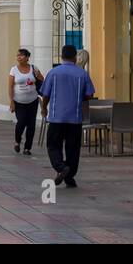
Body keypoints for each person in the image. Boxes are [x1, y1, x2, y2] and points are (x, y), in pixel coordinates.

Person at [39, 44, 95, 188]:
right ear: (75, 57)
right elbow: (89, 94)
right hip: (75, 118)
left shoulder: (53, 72)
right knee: (73, 149)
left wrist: (44, 108)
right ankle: (69, 177)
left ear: (62, 56)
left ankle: (61, 167)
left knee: (53, 145)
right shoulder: (82, 74)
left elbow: (45, 94)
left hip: (57, 118)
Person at [7, 48, 45, 155]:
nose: (19, 57)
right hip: (18, 101)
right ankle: (17, 141)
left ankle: (27, 148)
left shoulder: (34, 68)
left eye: (22, 55)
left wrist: (39, 76)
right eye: (18, 55)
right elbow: (10, 87)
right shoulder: (13, 70)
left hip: (33, 100)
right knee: (22, 121)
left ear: (27, 57)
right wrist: (11, 102)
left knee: (31, 124)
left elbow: (43, 80)